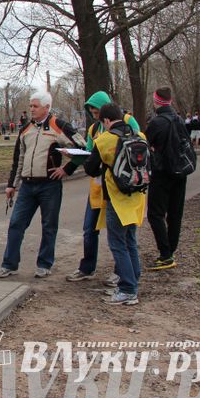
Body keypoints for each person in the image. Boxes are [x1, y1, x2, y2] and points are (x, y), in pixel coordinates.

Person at [0, 91, 86, 279]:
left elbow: (82, 149)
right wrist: (12, 184)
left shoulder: (59, 126)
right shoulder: (26, 129)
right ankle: (9, 264)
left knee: (49, 226)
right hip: (27, 186)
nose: (31, 109)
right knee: (16, 224)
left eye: (35, 106)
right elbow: (18, 158)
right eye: (30, 106)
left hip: (49, 185)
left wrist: (66, 169)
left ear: (47, 107)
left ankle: (44, 264)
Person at [65, 91, 140, 285]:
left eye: (97, 111)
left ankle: (124, 277)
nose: (94, 114)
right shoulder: (93, 130)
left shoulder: (128, 123)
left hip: (120, 190)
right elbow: (91, 155)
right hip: (99, 188)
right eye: (91, 111)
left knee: (122, 238)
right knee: (90, 229)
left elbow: (136, 150)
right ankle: (88, 268)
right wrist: (74, 159)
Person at [83, 103, 147, 306]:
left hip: (117, 197)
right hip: (137, 197)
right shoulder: (140, 136)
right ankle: (133, 281)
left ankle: (127, 289)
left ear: (106, 121)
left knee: (117, 243)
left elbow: (91, 169)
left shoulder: (104, 140)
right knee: (130, 241)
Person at [144, 87, 188, 270]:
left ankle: (165, 254)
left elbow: (145, 144)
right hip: (180, 172)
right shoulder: (179, 120)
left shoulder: (156, 123)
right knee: (175, 213)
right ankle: (170, 251)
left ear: (156, 102)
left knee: (155, 214)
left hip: (162, 174)